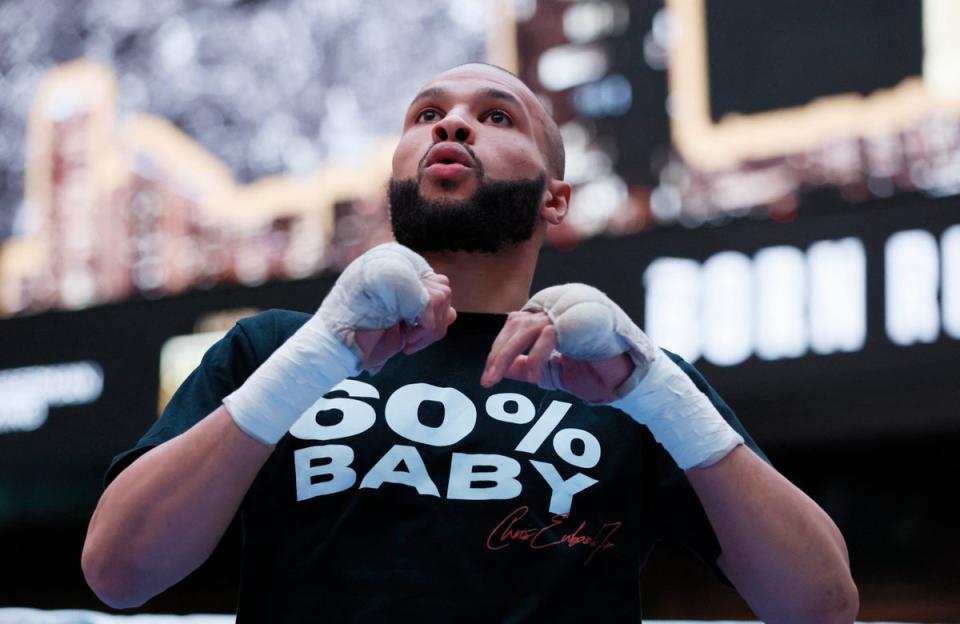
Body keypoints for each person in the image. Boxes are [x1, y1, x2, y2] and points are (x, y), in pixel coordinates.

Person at [82, 63, 858, 623]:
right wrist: (317, 355)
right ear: (391, 178)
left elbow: (820, 606)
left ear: (556, 196)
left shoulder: (625, 378)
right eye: (427, 115)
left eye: (496, 117)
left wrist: (656, 391)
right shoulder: (271, 350)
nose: (451, 123)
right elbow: (120, 573)